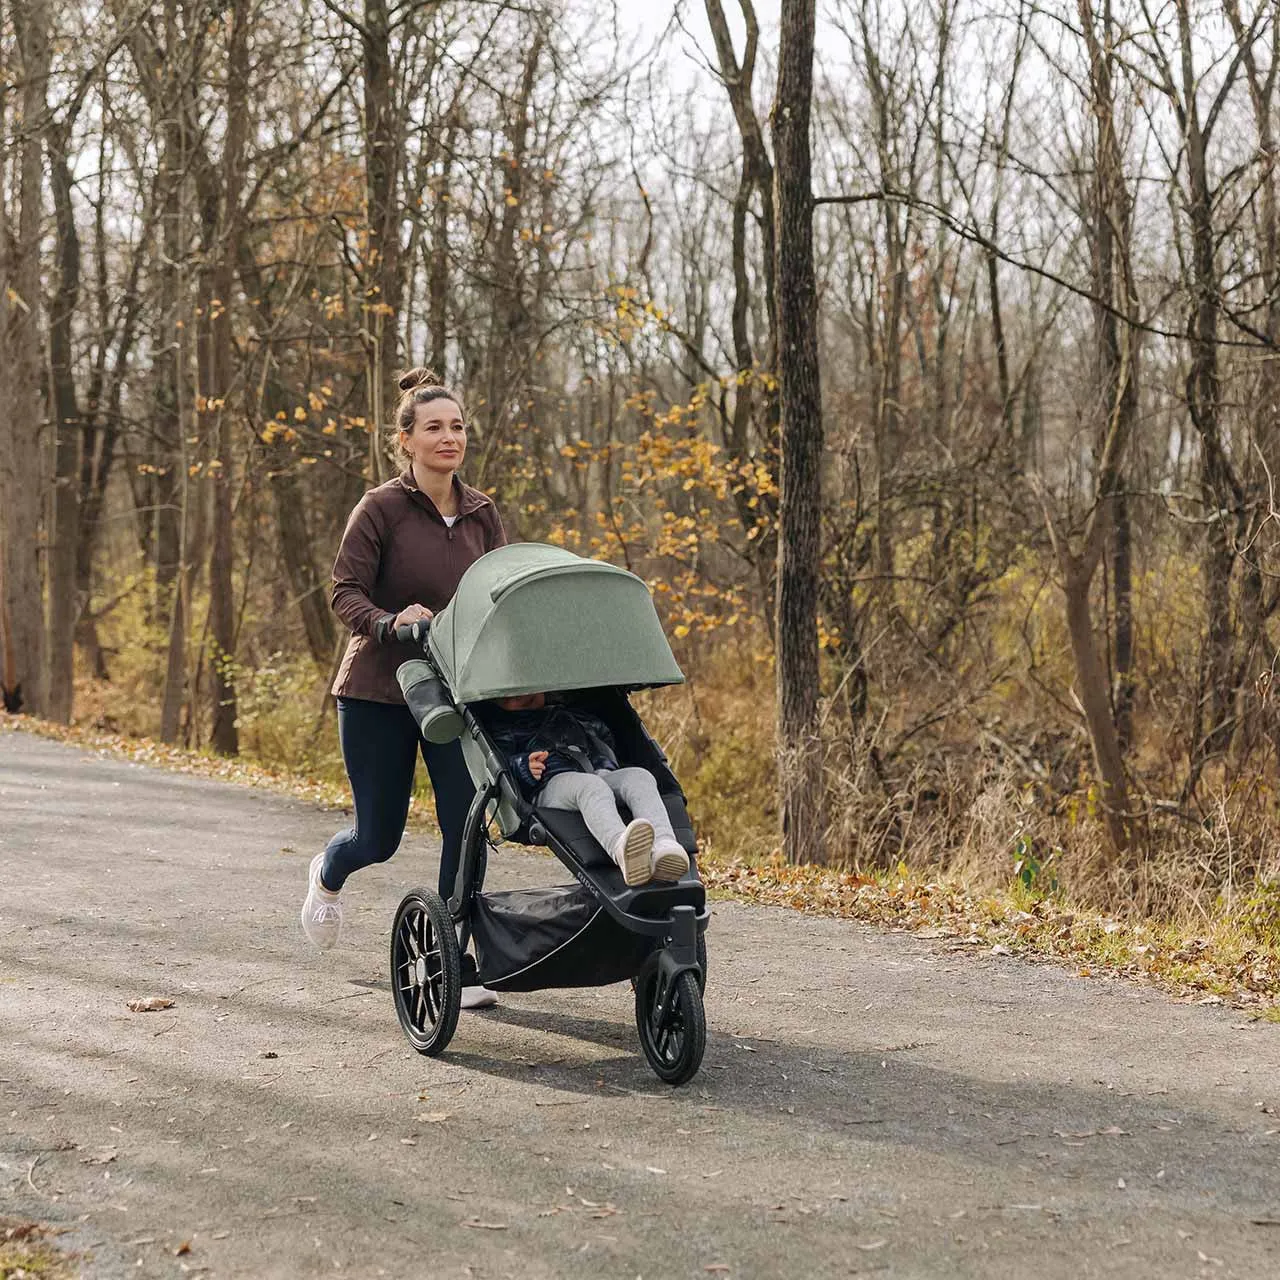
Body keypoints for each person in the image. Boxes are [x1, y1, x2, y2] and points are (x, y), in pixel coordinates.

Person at [302, 367, 506, 1010]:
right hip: (378, 692)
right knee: (379, 836)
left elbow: (498, 595)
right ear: (406, 440)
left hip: (453, 694)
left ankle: (450, 962)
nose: (450, 437)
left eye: (458, 426)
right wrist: (391, 623)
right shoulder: (381, 507)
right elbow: (344, 592)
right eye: (435, 428)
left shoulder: (482, 514)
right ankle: (328, 873)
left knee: (464, 824)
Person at [485, 692, 691, 887]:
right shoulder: (504, 728)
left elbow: (601, 738)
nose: (521, 697)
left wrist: (604, 761)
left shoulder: (568, 714)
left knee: (639, 776)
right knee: (591, 787)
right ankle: (622, 850)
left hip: (593, 772)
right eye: (509, 698)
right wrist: (523, 767)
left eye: (529, 691)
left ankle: (664, 846)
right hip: (548, 785)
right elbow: (500, 765)